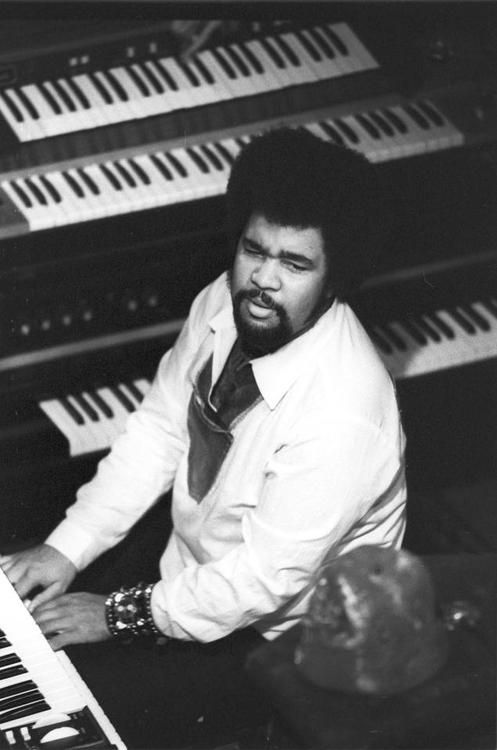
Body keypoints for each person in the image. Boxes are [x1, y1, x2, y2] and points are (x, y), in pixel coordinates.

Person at [0, 127, 406, 749]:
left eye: (295, 264)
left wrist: (116, 614)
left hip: (279, 635)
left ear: (334, 278)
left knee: (68, 724)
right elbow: (162, 427)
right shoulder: (225, 298)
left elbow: (262, 581)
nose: (262, 280)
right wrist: (68, 546)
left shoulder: (344, 415)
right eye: (254, 250)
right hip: (191, 565)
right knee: (24, 635)